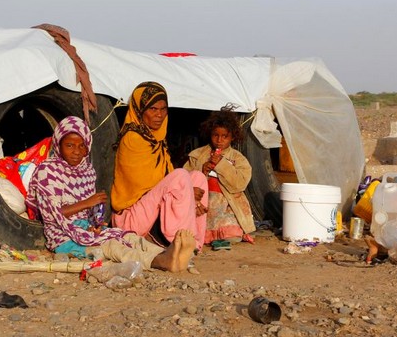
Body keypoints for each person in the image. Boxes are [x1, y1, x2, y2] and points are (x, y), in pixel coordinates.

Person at [26, 116, 195, 272]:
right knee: (112, 247)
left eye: (81, 146)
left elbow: (88, 215)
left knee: (128, 237)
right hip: (63, 237)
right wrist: (88, 202)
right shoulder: (47, 172)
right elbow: (53, 214)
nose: (76, 151)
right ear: (58, 145)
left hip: (85, 229)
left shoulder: (86, 171)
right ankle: (160, 261)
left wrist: (96, 223)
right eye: (69, 145)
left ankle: (172, 253)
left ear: (87, 148)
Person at [111, 81, 208, 251]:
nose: (159, 115)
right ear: (140, 111)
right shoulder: (132, 139)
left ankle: (193, 242)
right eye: (153, 109)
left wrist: (190, 198)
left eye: (163, 109)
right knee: (180, 177)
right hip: (132, 218)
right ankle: (176, 242)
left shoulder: (157, 138)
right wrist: (188, 196)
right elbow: (144, 188)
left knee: (197, 177)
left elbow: (165, 179)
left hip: (153, 210)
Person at [183, 105, 255, 245]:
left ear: (232, 137)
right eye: (216, 135)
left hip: (227, 205)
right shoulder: (197, 155)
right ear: (210, 134)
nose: (219, 140)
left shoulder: (238, 159)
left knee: (232, 237)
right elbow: (184, 179)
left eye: (224, 136)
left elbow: (240, 184)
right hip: (204, 203)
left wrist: (222, 164)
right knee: (195, 232)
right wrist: (201, 170)